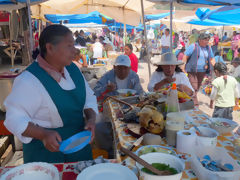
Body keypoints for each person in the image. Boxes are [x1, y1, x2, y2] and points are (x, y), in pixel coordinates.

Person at [4, 25, 98, 163]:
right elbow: (14, 119)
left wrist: (91, 119)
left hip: (78, 150)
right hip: (47, 156)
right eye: (69, 46)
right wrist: (43, 134)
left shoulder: (73, 70)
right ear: (50, 48)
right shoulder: (29, 80)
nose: (75, 50)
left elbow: (89, 98)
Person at [182, 32, 215, 106]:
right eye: (205, 40)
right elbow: (185, 56)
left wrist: (216, 67)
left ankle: (191, 99)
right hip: (192, 70)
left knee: (197, 87)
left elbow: (212, 59)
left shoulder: (208, 48)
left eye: (208, 40)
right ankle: (195, 103)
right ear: (200, 40)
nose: (207, 41)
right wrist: (183, 67)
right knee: (194, 86)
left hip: (202, 71)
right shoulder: (193, 46)